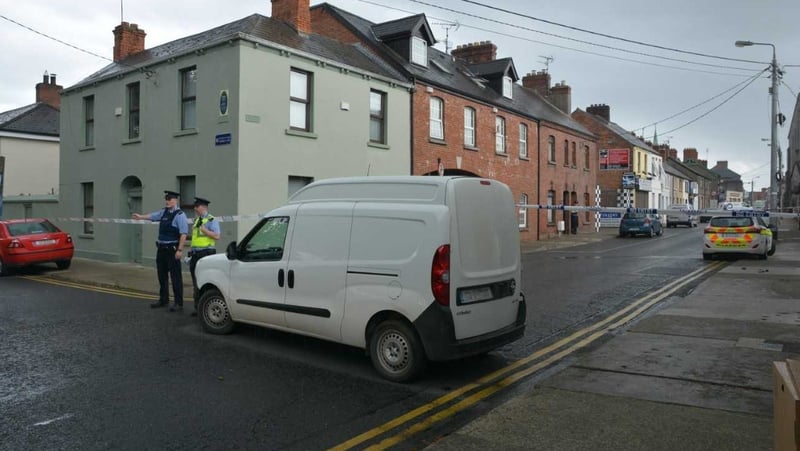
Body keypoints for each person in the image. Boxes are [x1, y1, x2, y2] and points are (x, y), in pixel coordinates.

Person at [132, 190, 189, 312]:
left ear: (175, 200)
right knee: (161, 276)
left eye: (170, 199)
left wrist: (180, 250)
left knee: (175, 277)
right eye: (166, 199)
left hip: (172, 249)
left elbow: (183, 234)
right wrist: (140, 217)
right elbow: (153, 216)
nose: (167, 201)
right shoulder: (164, 212)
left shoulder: (180, 215)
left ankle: (179, 303)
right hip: (161, 249)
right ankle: (164, 300)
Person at [188, 196, 220, 317]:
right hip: (196, 254)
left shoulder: (212, 220)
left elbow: (217, 236)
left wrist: (205, 230)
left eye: (197, 206)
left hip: (206, 254)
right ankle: (198, 308)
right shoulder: (197, 220)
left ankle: (205, 307)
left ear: (203, 207)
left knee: (205, 281)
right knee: (196, 281)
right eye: (195, 206)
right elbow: (195, 238)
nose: (195, 208)